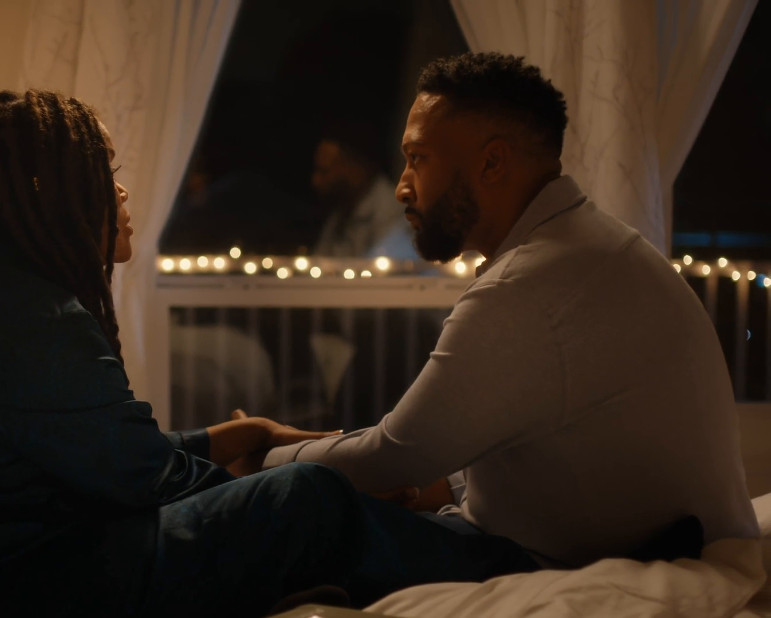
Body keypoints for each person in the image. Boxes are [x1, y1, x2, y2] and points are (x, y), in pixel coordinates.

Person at [0, 89, 538, 618]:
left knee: (297, 494)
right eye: (105, 173)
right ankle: (518, 572)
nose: (122, 192)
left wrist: (235, 438)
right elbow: (146, 479)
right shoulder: (27, 319)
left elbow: (107, 453)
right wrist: (272, 486)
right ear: (46, 192)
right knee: (306, 498)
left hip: (34, 562)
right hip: (36, 587)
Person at [265, 52, 760, 568]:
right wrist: (440, 485)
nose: (402, 186)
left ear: (492, 163)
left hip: (566, 559)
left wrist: (262, 457)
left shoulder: (529, 285)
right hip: (630, 542)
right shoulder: (594, 247)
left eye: (418, 158)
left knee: (289, 519)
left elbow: (396, 455)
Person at [311, 124, 420, 261]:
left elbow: (380, 271)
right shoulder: (341, 213)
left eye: (324, 172)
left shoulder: (391, 212)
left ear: (354, 168)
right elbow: (319, 261)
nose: (316, 180)